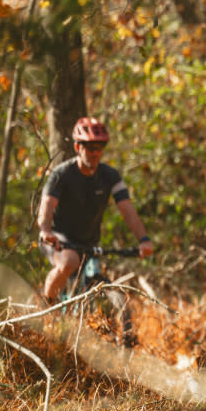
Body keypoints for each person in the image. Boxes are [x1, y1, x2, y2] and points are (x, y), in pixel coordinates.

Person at [38, 117, 154, 301]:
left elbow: (127, 210)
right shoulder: (62, 174)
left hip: (88, 242)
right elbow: (47, 204)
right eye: (91, 148)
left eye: (99, 148)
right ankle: (45, 309)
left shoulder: (110, 176)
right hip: (58, 240)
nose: (96, 153)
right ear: (78, 148)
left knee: (95, 281)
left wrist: (144, 239)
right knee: (69, 261)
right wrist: (45, 230)